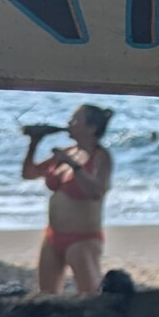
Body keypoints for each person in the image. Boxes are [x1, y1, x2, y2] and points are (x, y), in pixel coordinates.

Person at [21, 104, 116, 295]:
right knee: (46, 295)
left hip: (82, 240)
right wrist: (33, 144)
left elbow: (97, 191)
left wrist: (73, 165)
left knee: (90, 295)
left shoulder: (100, 157)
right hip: (54, 236)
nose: (68, 124)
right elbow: (29, 173)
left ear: (91, 128)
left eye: (75, 120)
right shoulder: (68, 152)